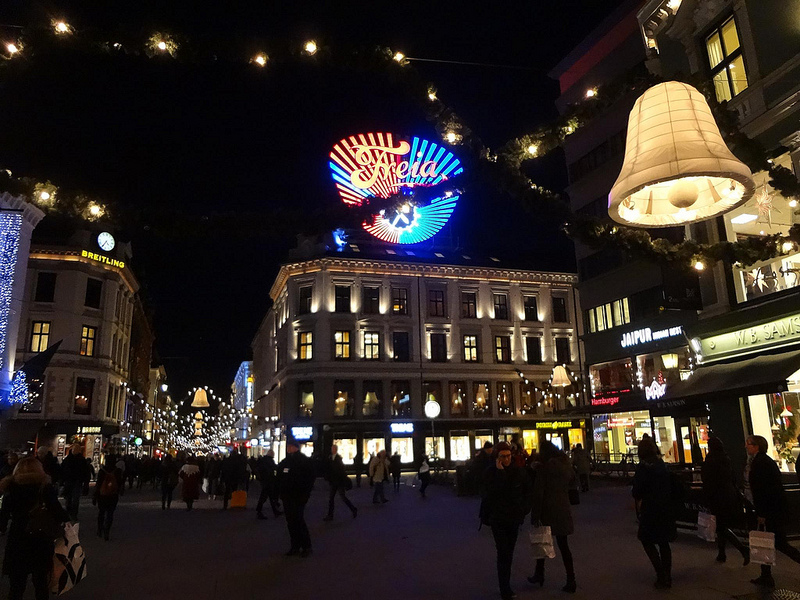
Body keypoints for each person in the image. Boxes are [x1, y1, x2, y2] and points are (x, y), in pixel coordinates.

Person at [0, 457, 69, 600]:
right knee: (41, 583)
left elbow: (3, 517)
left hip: (18, 538)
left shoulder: (11, 489)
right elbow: (59, 513)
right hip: (40, 538)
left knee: (16, 586)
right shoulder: (44, 488)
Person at [746, 435, 800, 588]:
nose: (746, 447)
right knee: (767, 541)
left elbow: (763, 490)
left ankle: (766, 576)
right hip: (773, 509)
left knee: (777, 542)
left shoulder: (760, 463)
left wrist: (762, 512)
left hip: (770, 511)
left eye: (749, 444)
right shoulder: (764, 461)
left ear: (757, 446)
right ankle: (765, 575)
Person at [482, 441, 533, 600]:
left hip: (514, 518)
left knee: (509, 552)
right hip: (498, 519)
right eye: (503, 456)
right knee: (503, 552)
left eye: (508, 456)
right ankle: (505, 587)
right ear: (497, 458)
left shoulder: (518, 471)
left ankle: (506, 583)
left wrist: (524, 510)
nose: (506, 459)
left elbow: (526, 491)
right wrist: (500, 473)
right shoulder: (491, 472)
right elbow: (493, 493)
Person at [528, 441, 577, 593]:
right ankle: (571, 579)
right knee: (564, 546)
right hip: (562, 508)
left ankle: (539, 573)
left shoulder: (544, 469)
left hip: (547, 509)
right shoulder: (565, 466)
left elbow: (538, 493)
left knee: (542, 541)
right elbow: (572, 483)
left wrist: (535, 516)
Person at [632, 437, 677, 589]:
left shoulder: (643, 468)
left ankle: (661, 574)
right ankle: (667, 575)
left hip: (650, 509)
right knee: (664, 542)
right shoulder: (662, 465)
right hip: (665, 507)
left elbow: (637, 491)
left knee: (646, 540)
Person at [701, 437, 749, 564]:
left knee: (721, 526)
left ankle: (743, 549)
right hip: (728, 495)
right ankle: (721, 553)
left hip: (717, 497)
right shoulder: (725, 459)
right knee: (722, 524)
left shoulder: (711, 460)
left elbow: (707, 480)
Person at [277, 439, 316, 557]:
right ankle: (295, 546)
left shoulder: (303, 461)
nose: (288, 449)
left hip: (298, 496)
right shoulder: (286, 461)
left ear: (295, 447)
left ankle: (306, 546)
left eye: (290, 447)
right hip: (288, 497)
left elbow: (309, 479)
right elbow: (279, 476)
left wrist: (305, 494)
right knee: (291, 522)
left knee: (298, 520)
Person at [323, 444, 357, 521]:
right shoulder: (331, 457)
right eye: (332, 448)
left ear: (336, 449)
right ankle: (330, 515)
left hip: (338, 481)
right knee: (332, 498)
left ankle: (353, 509)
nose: (332, 450)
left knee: (342, 497)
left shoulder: (337, 459)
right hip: (334, 481)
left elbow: (340, 471)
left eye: (333, 448)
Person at [93, 457, 122, 540]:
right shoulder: (117, 471)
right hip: (113, 495)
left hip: (102, 495)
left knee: (101, 512)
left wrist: (95, 495)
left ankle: (99, 529)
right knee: (110, 513)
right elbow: (120, 483)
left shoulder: (102, 471)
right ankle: (107, 530)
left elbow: (98, 484)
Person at [61, 443, 90, 522]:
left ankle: (70, 513)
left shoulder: (68, 460)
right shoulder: (81, 460)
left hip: (72, 481)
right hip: (75, 481)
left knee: (71, 498)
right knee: (73, 499)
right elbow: (86, 472)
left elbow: (62, 470)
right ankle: (72, 514)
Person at [256, 449, 282, 519]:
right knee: (265, 496)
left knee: (268, 496)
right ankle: (259, 510)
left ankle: (274, 511)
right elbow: (274, 468)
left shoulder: (264, 460)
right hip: (269, 481)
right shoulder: (269, 461)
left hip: (265, 481)